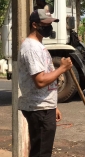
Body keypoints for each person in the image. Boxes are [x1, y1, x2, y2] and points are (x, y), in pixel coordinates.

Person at [18, 9, 73, 157]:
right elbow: (40, 81)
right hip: (38, 108)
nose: (49, 27)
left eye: (51, 24)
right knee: (41, 152)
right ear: (34, 25)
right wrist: (62, 68)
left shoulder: (39, 46)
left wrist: (53, 105)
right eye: (46, 24)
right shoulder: (31, 48)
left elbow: (46, 77)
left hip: (44, 106)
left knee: (42, 150)